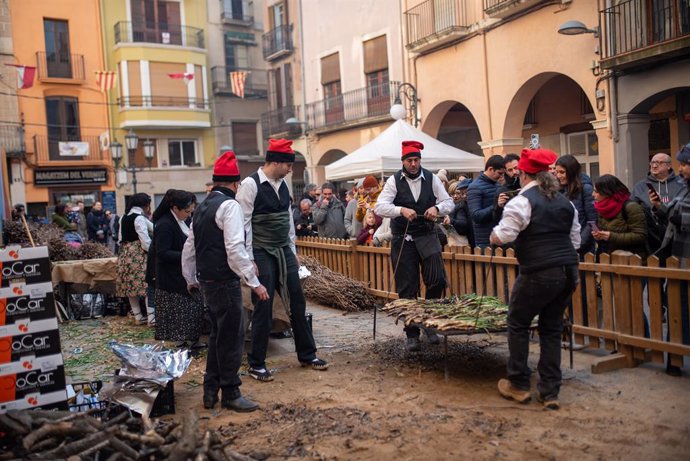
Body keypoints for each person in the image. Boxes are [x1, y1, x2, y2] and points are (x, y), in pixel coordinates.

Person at [490, 148, 581, 410]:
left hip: (540, 271)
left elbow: (505, 235)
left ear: (524, 174)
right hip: (568, 269)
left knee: (518, 322)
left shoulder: (522, 201)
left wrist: (494, 237)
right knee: (551, 329)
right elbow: (574, 239)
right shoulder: (566, 203)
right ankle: (550, 391)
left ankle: (518, 385)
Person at [182, 150, 268, 412]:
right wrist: (254, 282)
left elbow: (190, 246)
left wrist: (189, 277)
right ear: (235, 183)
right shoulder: (229, 206)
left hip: (207, 281)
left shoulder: (202, 206)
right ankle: (230, 392)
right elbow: (234, 248)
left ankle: (210, 391)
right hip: (223, 281)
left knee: (219, 336)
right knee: (231, 338)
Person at [236, 138, 328, 382]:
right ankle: (257, 363)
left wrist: (292, 251)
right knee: (263, 306)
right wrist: (249, 258)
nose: (291, 170)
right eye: (288, 165)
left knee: (297, 301)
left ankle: (307, 354)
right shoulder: (250, 185)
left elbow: (287, 221)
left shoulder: (283, 184)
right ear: (275, 162)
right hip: (261, 250)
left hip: (282, 250)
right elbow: (243, 225)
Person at [375, 140, 454, 352]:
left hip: (427, 235)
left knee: (436, 280)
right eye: (409, 160)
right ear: (403, 161)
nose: (413, 164)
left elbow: (449, 203)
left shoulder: (432, 178)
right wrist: (400, 210)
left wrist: (437, 208)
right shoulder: (393, 181)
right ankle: (412, 333)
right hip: (403, 238)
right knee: (407, 287)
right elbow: (380, 206)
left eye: (416, 160)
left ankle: (428, 323)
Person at [651, 144, 690, 376]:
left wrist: (674, 215)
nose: (681, 168)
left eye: (685, 164)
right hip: (677, 258)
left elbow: (680, 216)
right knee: (676, 308)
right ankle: (674, 360)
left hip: (686, 258)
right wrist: (658, 207)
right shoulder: (684, 188)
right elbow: (672, 212)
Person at [151, 189, 205, 348]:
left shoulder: (186, 221)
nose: (189, 215)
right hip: (172, 276)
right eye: (186, 211)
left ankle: (193, 339)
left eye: (191, 211)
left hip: (186, 272)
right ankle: (181, 342)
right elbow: (162, 253)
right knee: (179, 310)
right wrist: (187, 255)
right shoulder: (164, 224)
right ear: (175, 208)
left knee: (193, 308)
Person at [631, 152, 683, 253]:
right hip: (650, 237)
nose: (654, 166)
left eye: (659, 163)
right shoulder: (640, 186)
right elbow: (632, 209)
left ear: (669, 166)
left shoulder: (681, 184)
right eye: (652, 162)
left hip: (677, 234)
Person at [116, 193, 155, 326]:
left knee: (130, 287)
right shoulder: (139, 218)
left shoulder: (123, 217)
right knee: (147, 285)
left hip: (125, 253)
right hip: (138, 253)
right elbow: (145, 239)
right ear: (145, 205)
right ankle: (151, 318)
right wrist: (152, 252)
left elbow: (120, 238)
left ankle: (138, 316)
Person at [592, 174, 648, 259]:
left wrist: (611, 236)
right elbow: (606, 234)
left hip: (632, 259)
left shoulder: (631, 207)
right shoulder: (601, 207)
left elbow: (640, 235)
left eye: (596, 191)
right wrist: (599, 236)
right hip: (609, 257)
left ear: (607, 192)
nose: (593, 194)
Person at [555, 155, 597, 256]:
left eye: (562, 172)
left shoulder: (586, 189)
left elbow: (593, 221)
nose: (558, 176)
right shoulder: (559, 190)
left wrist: (580, 242)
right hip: (565, 245)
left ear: (571, 171)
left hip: (583, 248)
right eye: (557, 172)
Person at [467, 155, 506, 248]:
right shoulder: (475, 187)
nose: (501, 176)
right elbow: (476, 215)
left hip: (500, 236)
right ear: (490, 169)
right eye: (499, 173)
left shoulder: (498, 185)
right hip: (485, 241)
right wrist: (496, 205)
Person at [443, 178, 474, 247]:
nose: (455, 196)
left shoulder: (462, 206)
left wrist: (451, 221)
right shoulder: (449, 207)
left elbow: (463, 226)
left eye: (457, 193)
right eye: (452, 194)